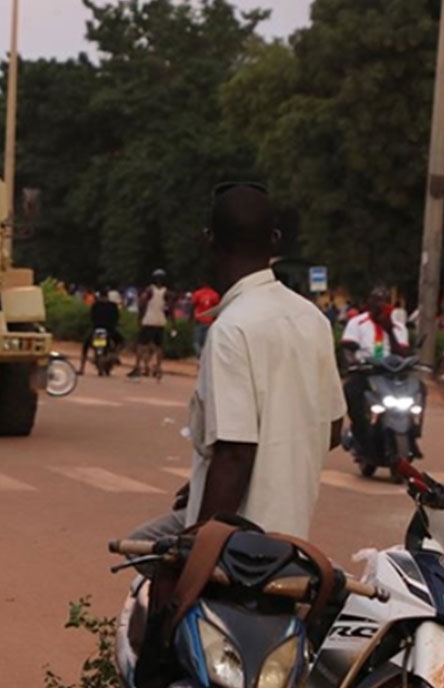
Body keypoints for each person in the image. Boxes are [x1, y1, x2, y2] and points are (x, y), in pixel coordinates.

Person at [129, 184, 345, 542]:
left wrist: (197, 545)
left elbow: (235, 454)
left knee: (143, 554)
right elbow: (333, 428)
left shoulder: (231, 329)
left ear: (209, 239)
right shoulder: (313, 319)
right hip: (292, 532)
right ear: (275, 239)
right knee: (144, 541)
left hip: (236, 544)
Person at [340, 287, 410, 448]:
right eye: (376, 300)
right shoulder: (357, 323)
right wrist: (353, 364)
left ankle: (412, 427)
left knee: (419, 389)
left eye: (384, 301)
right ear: (368, 303)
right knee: (351, 390)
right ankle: (360, 432)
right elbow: (347, 348)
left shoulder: (398, 327)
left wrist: (389, 329)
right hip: (366, 372)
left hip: (391, 374)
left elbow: (401, 353)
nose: (380, 305)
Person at [129, 270, 172, 378]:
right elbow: (170, 308)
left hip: (149, 320)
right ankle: (158, 368)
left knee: (141, 345)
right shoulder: (167, 292)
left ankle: (137, 366)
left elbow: (142, 303)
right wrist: (172, 322)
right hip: (160, 321)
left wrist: (140, 317)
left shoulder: (149, 290)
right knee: (159, 346)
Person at [78, 289, 123, 374]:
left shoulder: (95, 305)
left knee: (85, 346)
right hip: (110, 331)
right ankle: (115, 355)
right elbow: (116, 318)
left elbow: (92, 317)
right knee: (121, 342)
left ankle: (81, 368)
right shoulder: (113, 305)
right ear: (107, 296)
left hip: (96, 329)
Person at [190, 283, 220, 358]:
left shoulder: (198, 293)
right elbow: (216, 308)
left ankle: (199, 354)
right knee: (206, 342)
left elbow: (193, 306)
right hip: (209, 321)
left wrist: (190, 318)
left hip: (199, 320)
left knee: (196, 342)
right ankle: (203, 357)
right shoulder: (214, 294)